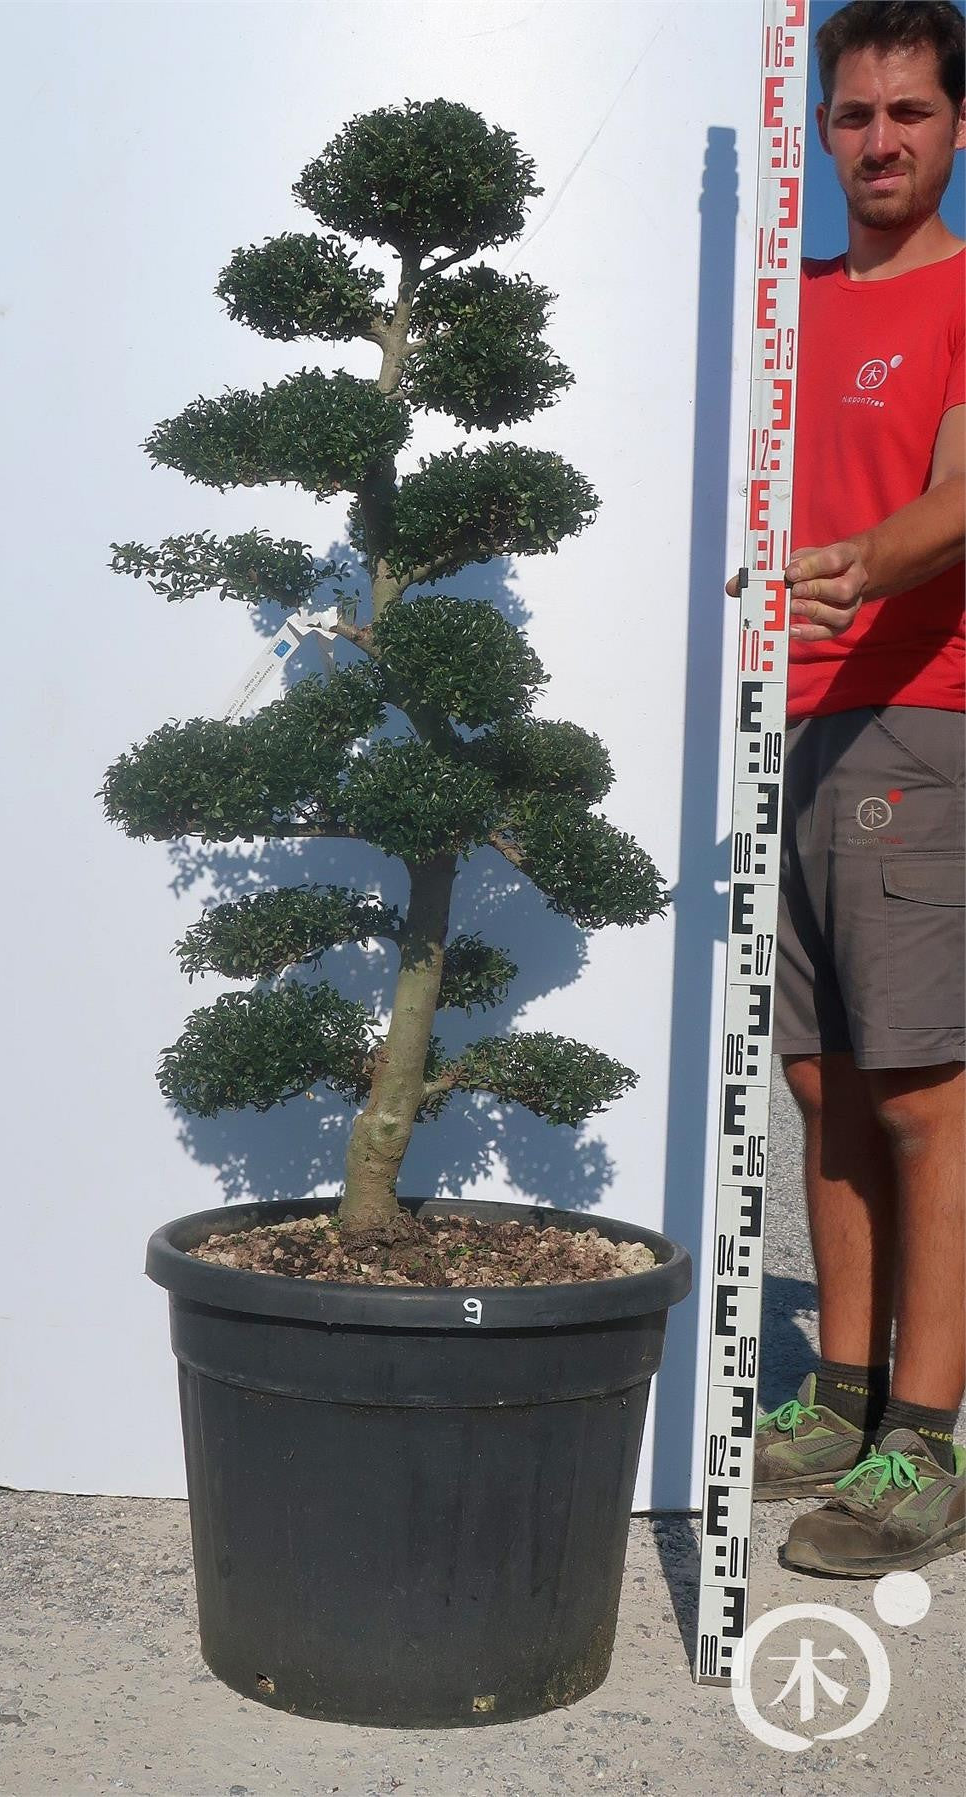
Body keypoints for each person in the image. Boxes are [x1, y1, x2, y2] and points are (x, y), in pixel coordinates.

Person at [727, 0, 965, 1576]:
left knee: (921, 1089)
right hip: (782, 722)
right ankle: (846, 1384)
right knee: (817, 1078)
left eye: (909, 113)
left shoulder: (964, 294)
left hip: (914, 719)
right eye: (853, 115)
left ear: (959, 127)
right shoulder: (787, 302)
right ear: (818, 127)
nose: (877, 141)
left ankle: (927, 1441)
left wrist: (863, 568)